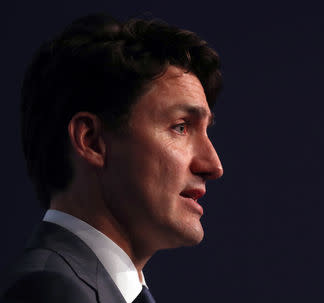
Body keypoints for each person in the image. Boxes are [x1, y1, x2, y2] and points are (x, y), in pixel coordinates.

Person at [0, 13, 223, 303]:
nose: (213, 165)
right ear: (91, 140)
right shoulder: (49, 291)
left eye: (206, 131)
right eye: (181, 127)